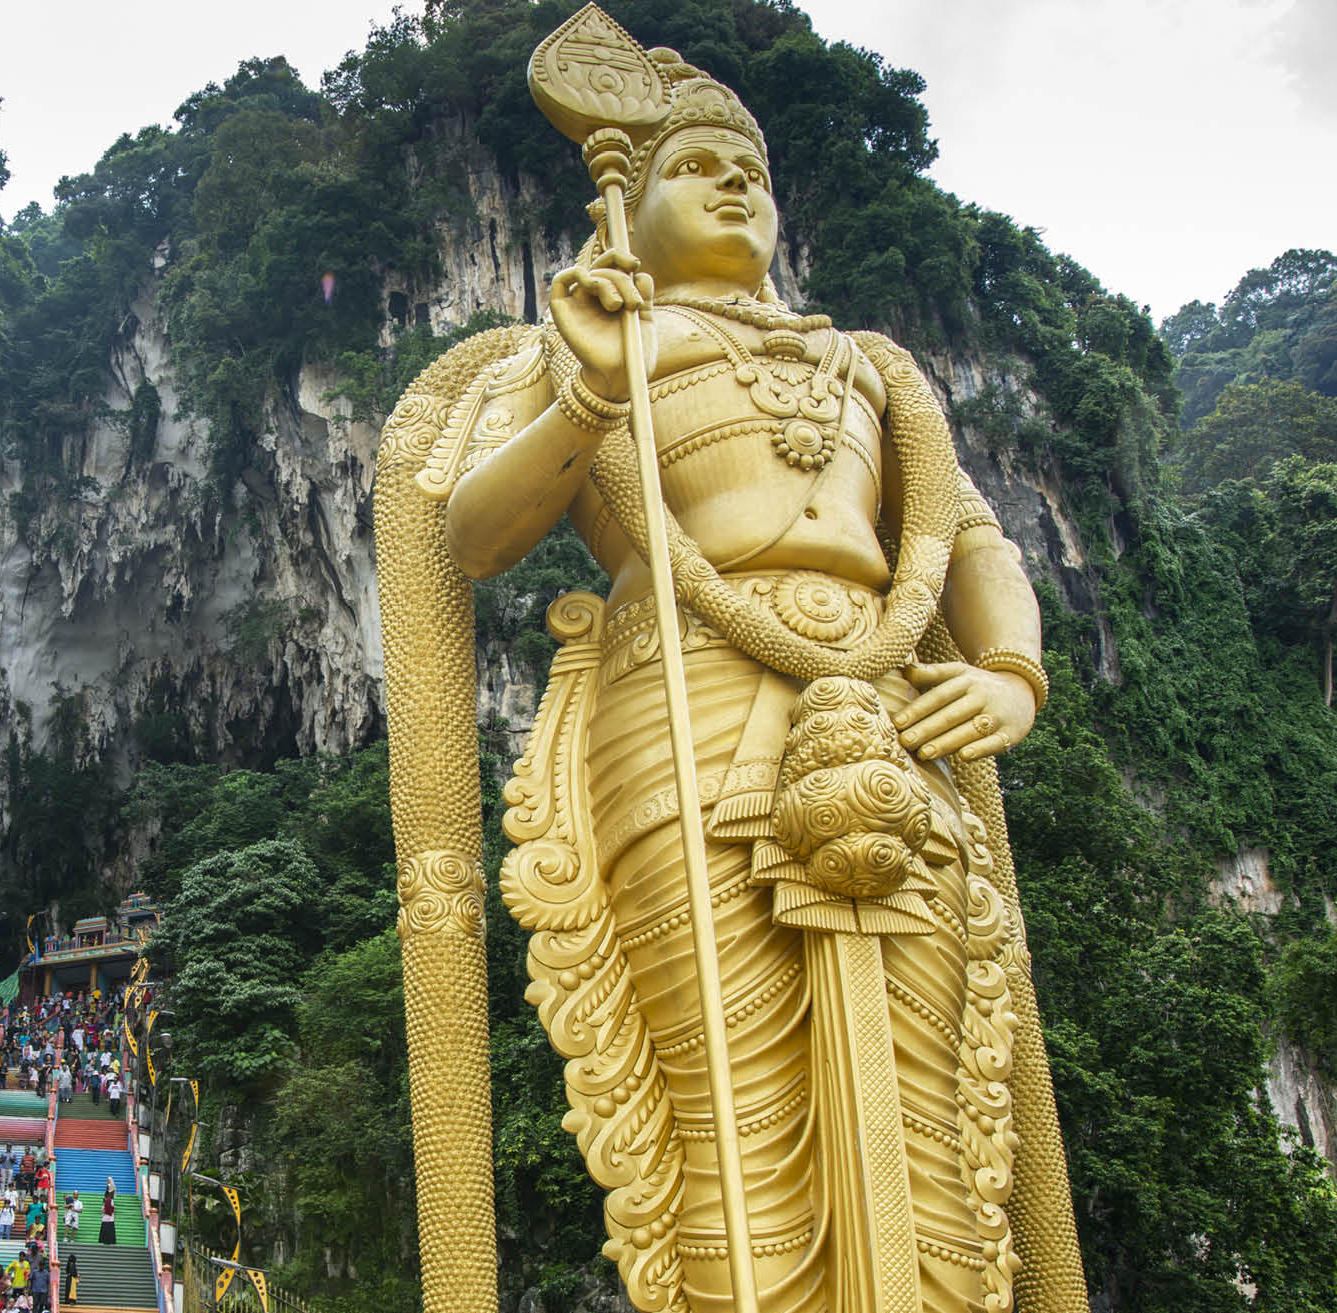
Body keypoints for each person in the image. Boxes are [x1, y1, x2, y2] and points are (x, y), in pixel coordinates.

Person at [377, 23, 1079, 1313]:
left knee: (933, 1103)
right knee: (729, 1109)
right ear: (625, 205)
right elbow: (472, 533)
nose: (737, 183)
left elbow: (972, 539)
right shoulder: (586, 342)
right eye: (697, 163)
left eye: (751, 166)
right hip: (682, 707)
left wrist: (1014, 674)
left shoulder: (871, 367)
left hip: (887, 712)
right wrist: (589, 392)